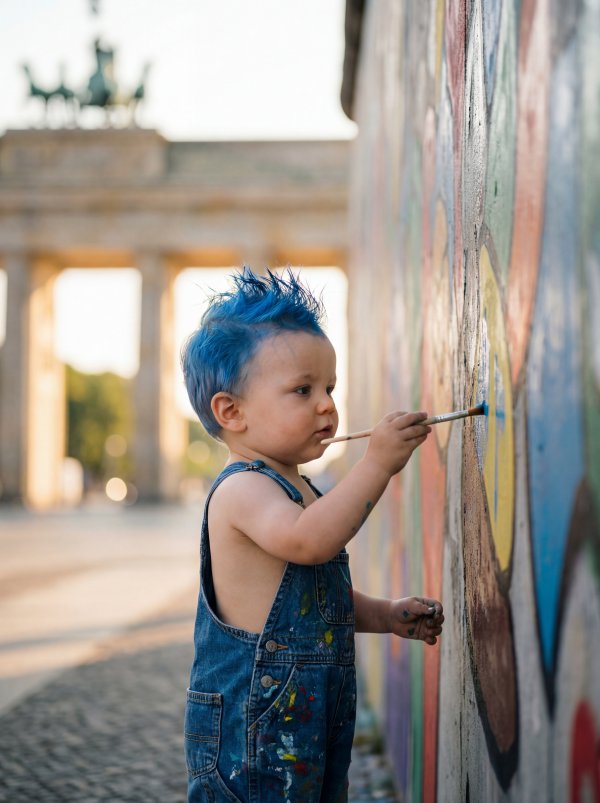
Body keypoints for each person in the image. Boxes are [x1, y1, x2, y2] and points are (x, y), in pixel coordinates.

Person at [181, 268, 444, 802]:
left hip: (307, 723)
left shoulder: (298, 487)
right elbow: (309, 542)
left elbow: (314, 598)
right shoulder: (242, 491)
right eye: (303, 390)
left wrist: (384, 615)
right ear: (232, 412)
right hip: (252, 739)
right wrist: (378, 465)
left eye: (329, 388)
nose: (326, 405)